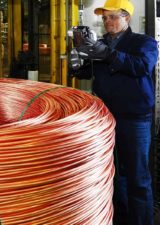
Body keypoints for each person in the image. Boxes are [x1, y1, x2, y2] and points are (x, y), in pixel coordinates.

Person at [71, 0, 159, 224]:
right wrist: (78, 63)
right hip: (106, 118)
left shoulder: (144, 43)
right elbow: (87, 74)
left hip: (134, 119)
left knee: (138, 178)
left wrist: (108, 54)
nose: (107, 21)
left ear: (126, 17)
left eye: (112, 17)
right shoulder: (100, 44)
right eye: (104, 18)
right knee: (113, 175)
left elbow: (141, 66)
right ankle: (120, 218)